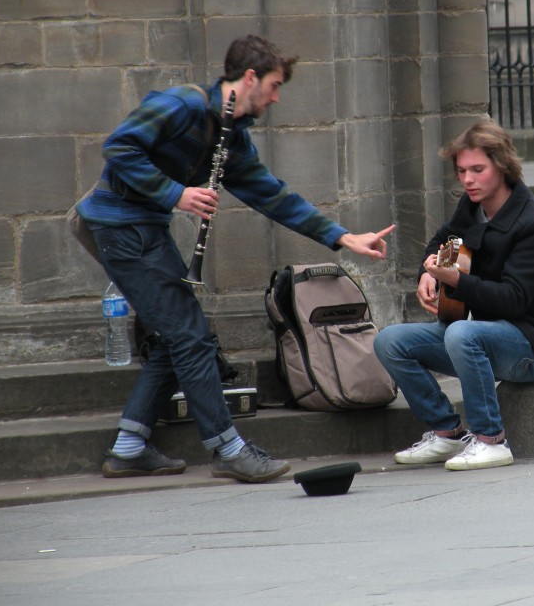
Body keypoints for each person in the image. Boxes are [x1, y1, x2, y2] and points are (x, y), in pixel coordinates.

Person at [77, 34, 395, 483]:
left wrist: (342, 237)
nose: (277, 96)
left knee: (177, 335)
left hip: (144, 229)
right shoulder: (182, 105)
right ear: (250, 77)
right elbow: (119, 147)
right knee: (190, 336)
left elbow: (273, 196)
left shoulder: (232, 134)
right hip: (119, 227)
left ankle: (129, 447)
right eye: (274, 84)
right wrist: (177, 194)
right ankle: (227, 448)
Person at [373, 119, 534, 470]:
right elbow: (445, 242)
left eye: (478, 170)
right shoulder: (471, 207)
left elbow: (514, 299)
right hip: (479, 338)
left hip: (532, 346)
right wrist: (428, 275)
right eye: (462, 171)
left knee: (462, 332)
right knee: (390, 340)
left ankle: (491, 440)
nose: (468, 180)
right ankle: (447, 432)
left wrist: (457, 281)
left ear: (503, 166)